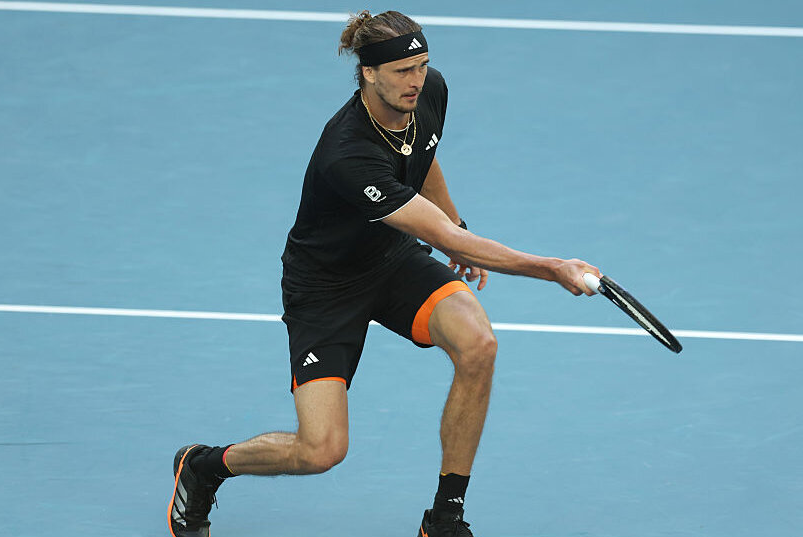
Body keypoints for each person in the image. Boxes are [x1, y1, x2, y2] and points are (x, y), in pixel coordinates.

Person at [168, 10, 599, 537]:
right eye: (401, 71)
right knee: (321, 450)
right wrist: (550, 267)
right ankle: (204, 465)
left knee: (478, 344)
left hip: (390, 261)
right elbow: (444, 239)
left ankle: (445, 518)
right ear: (368, 73)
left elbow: (422, 154)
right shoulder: (346, 154)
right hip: (325, 288)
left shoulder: (428, 92)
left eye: (421, 65)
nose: (416, 79)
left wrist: (453, 220)